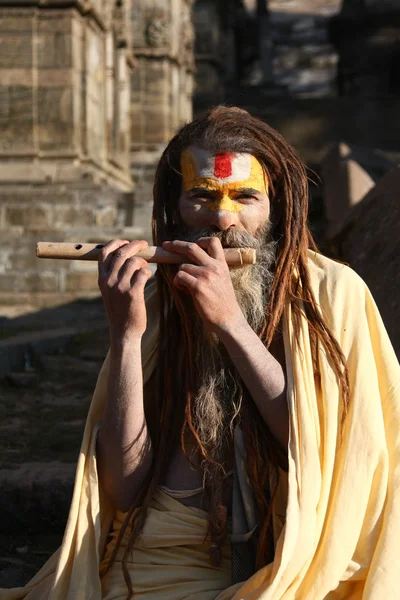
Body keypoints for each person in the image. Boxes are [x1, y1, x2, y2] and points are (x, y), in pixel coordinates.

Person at [1, 106, 399, 600]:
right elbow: (123, 491)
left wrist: (230, 322)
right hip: (151, 566)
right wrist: (125, 335)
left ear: (276, 206)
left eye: (245, 197)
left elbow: (328, 454)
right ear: (175, 208)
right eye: (202, 197)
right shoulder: (159, 306)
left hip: (292, 570)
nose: (222, 219)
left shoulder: (333, 295)